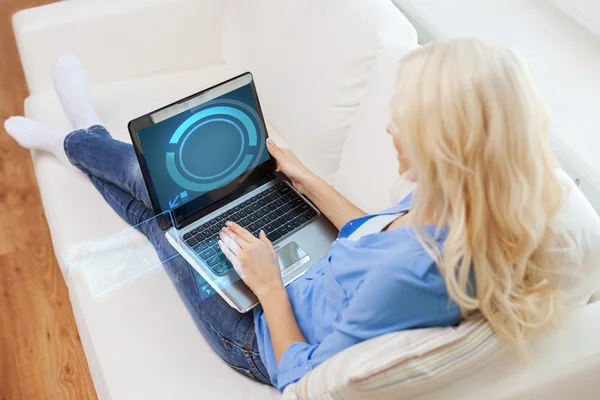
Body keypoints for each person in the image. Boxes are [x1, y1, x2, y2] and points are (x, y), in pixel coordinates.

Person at [4, 38, 572, 392]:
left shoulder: (414, 277)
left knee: (165, 219)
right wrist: (304, 177)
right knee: (172, 196)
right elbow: (373, 237)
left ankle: (74, 137)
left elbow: (302, 376)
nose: (390, 129)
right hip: (303, 273)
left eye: (406, 123)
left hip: (259, 332)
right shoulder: (464, 207)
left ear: (447, 144)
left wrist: (268, 285)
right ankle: (82, 135)